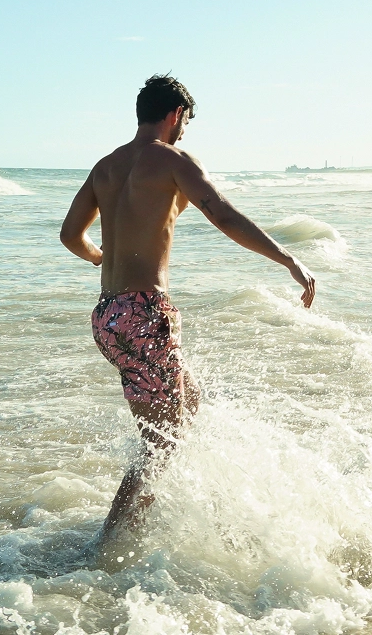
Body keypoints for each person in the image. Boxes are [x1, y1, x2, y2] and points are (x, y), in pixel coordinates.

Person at [60, 74, 318, 540]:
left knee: (186, 405)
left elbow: (69, 235)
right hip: (145, 313)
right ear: (176, 114)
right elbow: (223, 214)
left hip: (108, 316)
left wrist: (103, 257)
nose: (184, 133)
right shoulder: (173, 160)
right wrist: (288, 259)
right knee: (160, 442)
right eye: (186, 123)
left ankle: (155, 515)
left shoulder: (105, 166)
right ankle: (113, 544)